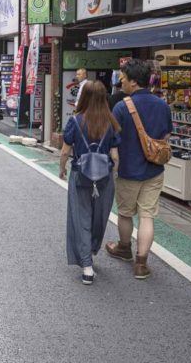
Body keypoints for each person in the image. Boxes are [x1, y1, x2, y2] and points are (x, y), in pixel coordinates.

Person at [105, 59, 172, 280]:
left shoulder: (122, 107)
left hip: (128, 169)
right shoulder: (162, 105)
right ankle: (141, 264)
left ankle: (124, 248)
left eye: (123, 79)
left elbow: (113, 139)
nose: (120, 83)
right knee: (147, 216)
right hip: (154, 170)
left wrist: (114, 160)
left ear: (133, 82)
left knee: (125, 213)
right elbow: (165, 138)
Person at [59, 81, 121, 285]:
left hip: (80, 175)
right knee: (99, 218)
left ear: (84, 97)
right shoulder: (110, 122)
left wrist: (62, 168)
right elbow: (115, 155)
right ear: (104, 98)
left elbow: (66, 150)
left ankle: (86, 266)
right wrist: (114, 174)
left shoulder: (75, 121)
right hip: (104, 177)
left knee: (81, 218)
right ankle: (92, 249)